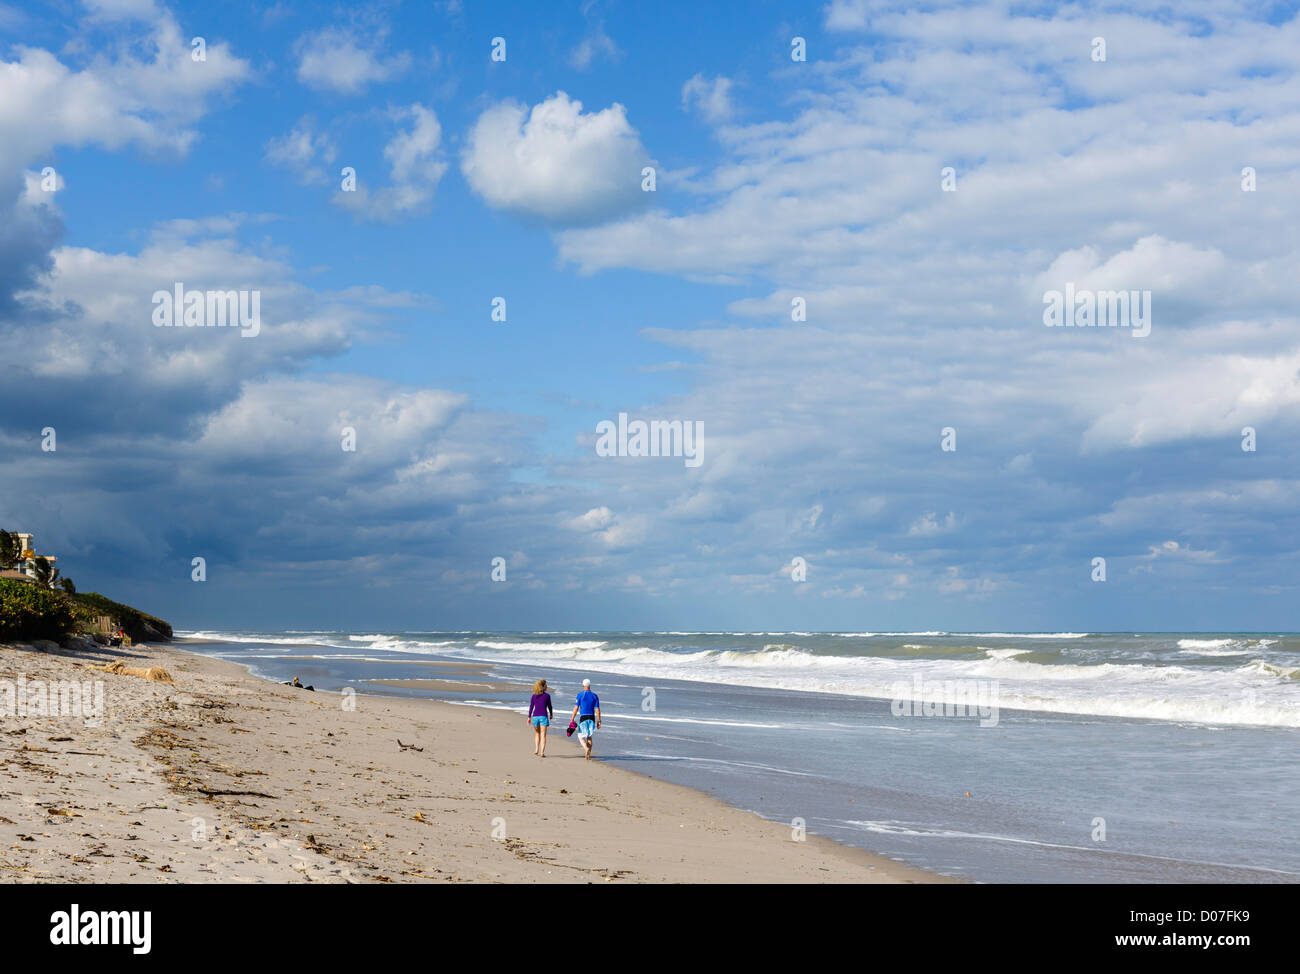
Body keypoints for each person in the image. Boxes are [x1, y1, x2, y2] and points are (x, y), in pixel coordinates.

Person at [570, 678, 601, 760]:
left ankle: (586, 748)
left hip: (583, 717)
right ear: (589, 685)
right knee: (589, 736)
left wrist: (572, 719)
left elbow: (576, 708)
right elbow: (597, 709)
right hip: (592, 717)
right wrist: (599, 721)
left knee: (580, 736)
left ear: (583, 685)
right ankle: (588, 756)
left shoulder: (580, 695)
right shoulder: (595, 696)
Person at [528, 679, 553, 757]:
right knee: (543, 735)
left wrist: (529, 717)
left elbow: (531, 707)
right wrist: (551, 714)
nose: (547, 686)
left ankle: (536, 750)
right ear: (543, 686)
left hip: (535, 717)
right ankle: (542, 752)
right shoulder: (547, 696)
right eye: (546, 685)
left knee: (537, 733)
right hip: (543, 716)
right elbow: (550, 706)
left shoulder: (533, 696)